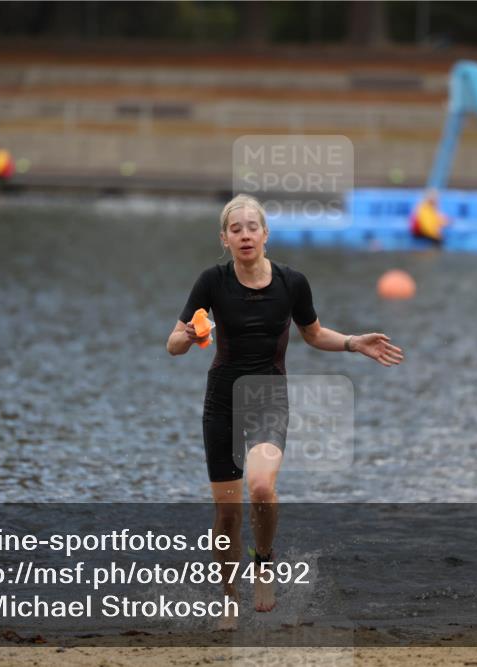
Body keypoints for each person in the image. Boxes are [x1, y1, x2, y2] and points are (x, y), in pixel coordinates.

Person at [167, 194, 404, 628]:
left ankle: (264, 563)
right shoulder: (211, 282)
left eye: (251, 227)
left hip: (268, 397)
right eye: (235, 229)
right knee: (227, 512)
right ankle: (227, 598)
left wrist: (354, 342)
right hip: (221, 400)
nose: (244, 235)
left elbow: (312, 334)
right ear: (224, 238)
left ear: (265, 234)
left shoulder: (292, 282)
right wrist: (190, 334)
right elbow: (174, 344)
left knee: (260, 487)